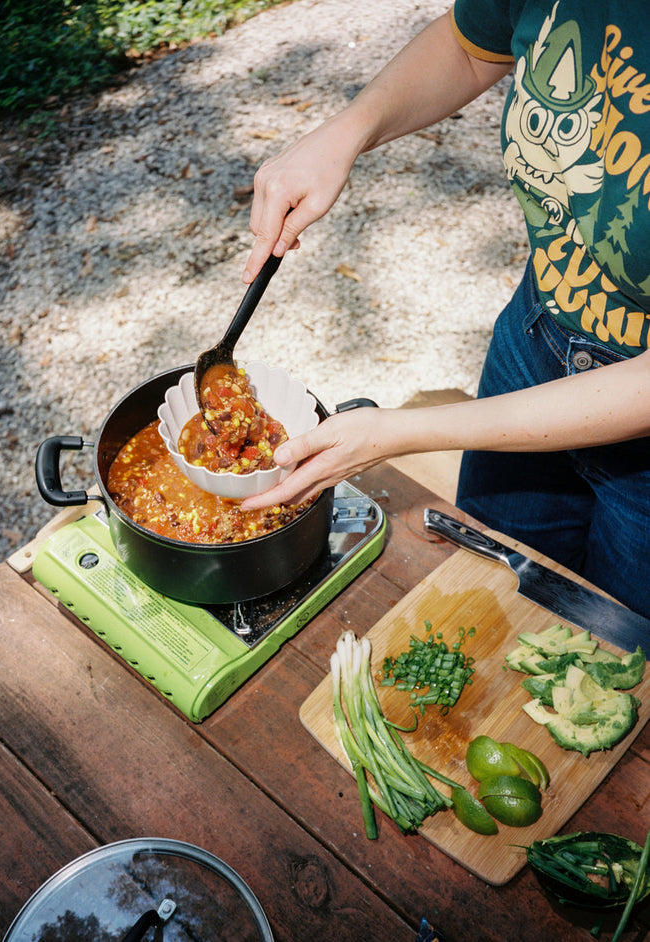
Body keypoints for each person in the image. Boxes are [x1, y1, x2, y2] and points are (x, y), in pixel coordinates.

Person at [240, 1, 650, 620]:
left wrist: (402, 432)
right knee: (490, 598)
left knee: (617, 647)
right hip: (535, 338)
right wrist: (347, 130)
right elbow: (470, 47)